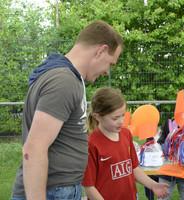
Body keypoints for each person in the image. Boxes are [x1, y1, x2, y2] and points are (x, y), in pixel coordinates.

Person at [11, 20, 124, 200]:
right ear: (101, 51)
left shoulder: (67, 77)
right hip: (53, 192)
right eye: (110, 63)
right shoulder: (64, 81)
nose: (107, 72)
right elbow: (34, 149)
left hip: (60, 190)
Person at [82, 87, 170, 200]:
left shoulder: (126, 134)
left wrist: (152, 184)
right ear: (98, 117)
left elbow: (133, 168)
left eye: (123, 115)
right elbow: (89, 187)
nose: (121, 121)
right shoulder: (91, 144)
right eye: (115, 118)